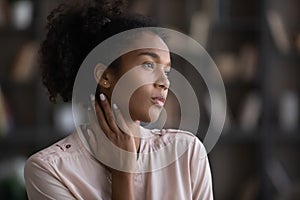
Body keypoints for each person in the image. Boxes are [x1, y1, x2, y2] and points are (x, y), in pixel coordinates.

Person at [24, 1, 213, 199]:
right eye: (148, 65)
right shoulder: (49, 169)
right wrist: (123, 172)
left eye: (166, 70)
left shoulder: (187, 152)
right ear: (105, 76)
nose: (164, 82)